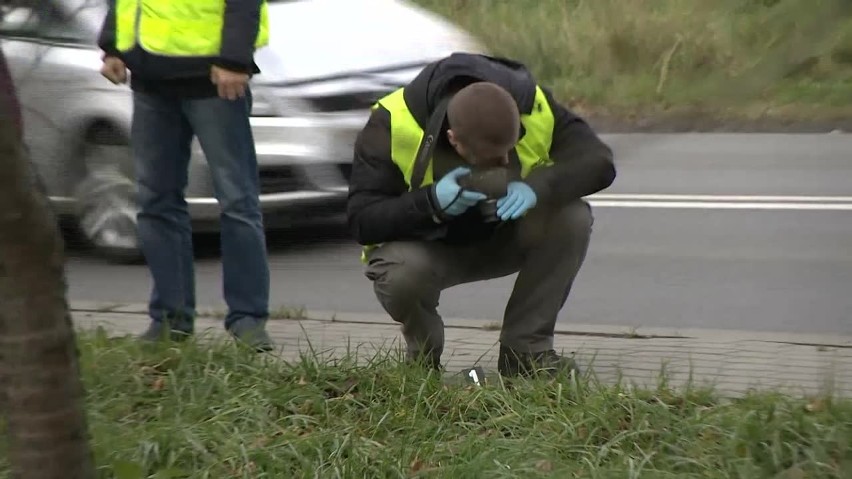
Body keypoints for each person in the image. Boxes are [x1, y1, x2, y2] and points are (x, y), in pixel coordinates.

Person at [347, 53, 616, 378]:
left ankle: (526, 354)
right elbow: (362, 220)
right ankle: (421, 365)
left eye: (509, 150)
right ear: (453, 140)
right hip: (431, 248)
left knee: (572, 216)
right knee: (399, 272)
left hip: (508, 232)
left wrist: (538, 188)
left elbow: (599, 160)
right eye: (490, 158)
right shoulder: (391, 123)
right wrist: (430, 202)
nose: (503, 163)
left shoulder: (532, 103)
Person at [96, 0, 274, 350]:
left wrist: (234, 59)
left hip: (214, 78)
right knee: (155, 200)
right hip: (150, 81)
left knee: (237, 202)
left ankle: (248, 320)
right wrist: (113, 46)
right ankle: (169, 321)